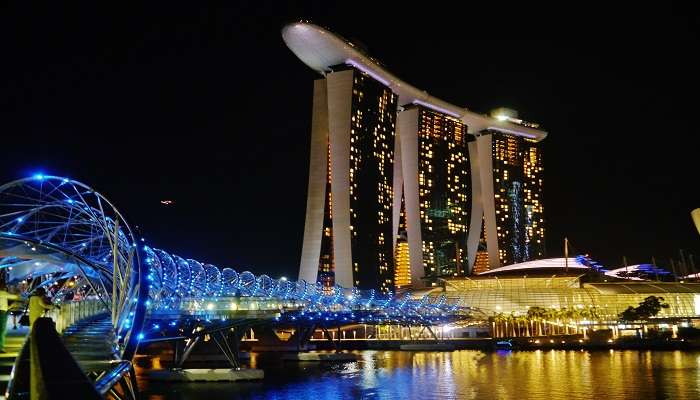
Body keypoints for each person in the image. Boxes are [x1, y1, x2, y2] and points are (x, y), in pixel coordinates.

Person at [0, 285, 20, 352]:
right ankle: (0, 347)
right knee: (2, 330)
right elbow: (15, 297)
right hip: (2, 312)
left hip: (3, 311)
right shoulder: (3, 293)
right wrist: (17, 293)